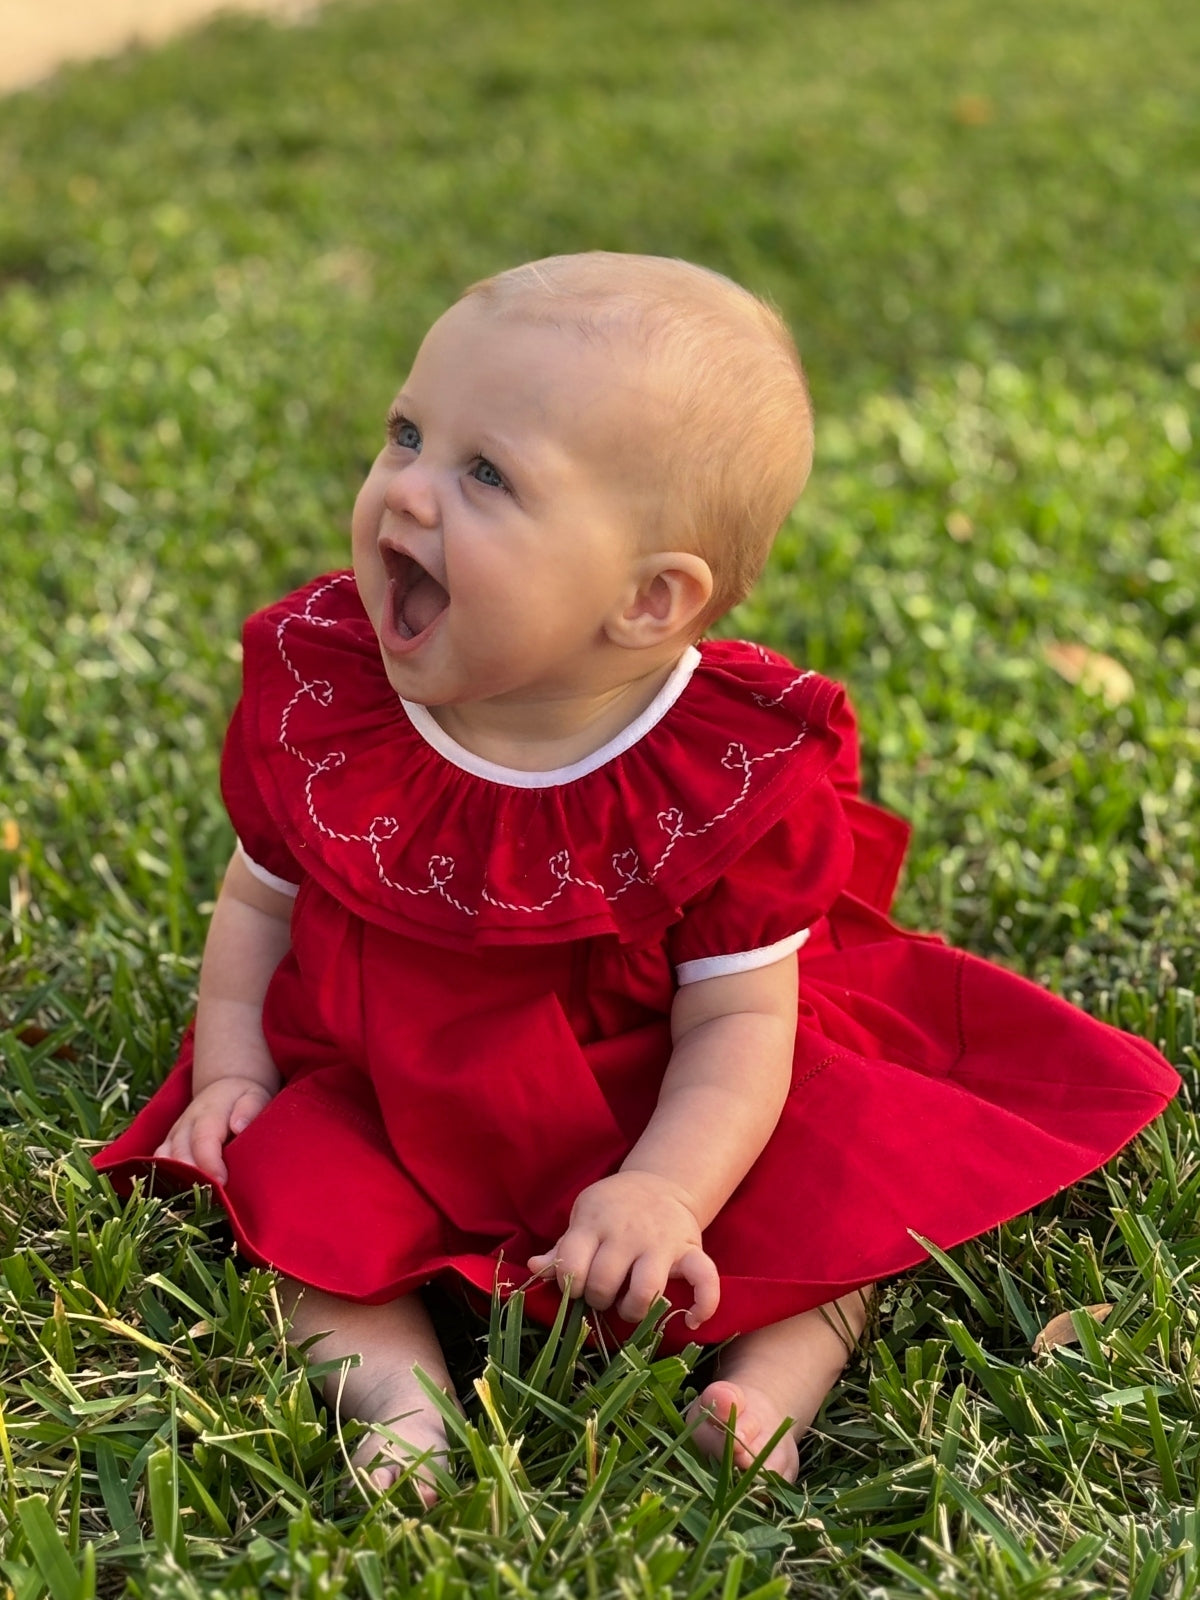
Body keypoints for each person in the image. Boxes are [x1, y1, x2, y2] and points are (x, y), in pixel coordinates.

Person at [94, 251, 1179, 1504]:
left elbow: (736, 1022)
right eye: (407, 432)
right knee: (292, 1189)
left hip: (655, 1087)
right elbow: (259, 899)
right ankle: (395, 1391)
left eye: (485, 473)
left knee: (835, 1204)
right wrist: (233, 1068)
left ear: (650, 599)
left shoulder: (714, 775)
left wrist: (666, 1187)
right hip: (385, 1083)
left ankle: (770, 1388)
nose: (406, 493)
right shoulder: (328, 692)